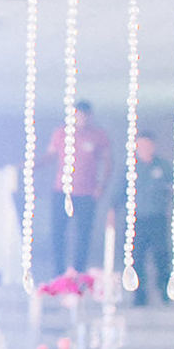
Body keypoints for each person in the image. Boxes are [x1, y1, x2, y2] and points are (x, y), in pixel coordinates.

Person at [44, 101, 111, 277]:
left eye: (84, 115)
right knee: (58, 232)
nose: (81, 119)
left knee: (83, 234)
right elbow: (50, 156)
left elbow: (107, 161)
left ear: (90, 116)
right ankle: (59, 272)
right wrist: (29, 166)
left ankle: (78, 271)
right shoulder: (61, 133)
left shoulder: (98, 135)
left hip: (86, 193)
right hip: (62, 191)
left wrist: (101, 186)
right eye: (78, 115)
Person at [132, 130, 172, 305]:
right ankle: (139, 295)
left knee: (161, 256)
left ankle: (164, 290)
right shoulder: (131, 168)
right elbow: (118, 192)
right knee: (137, 258)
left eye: (148, 145)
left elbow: (173, 186)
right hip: (137, 219)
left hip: (157, 218)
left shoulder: (163, 166)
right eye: (141, 145)